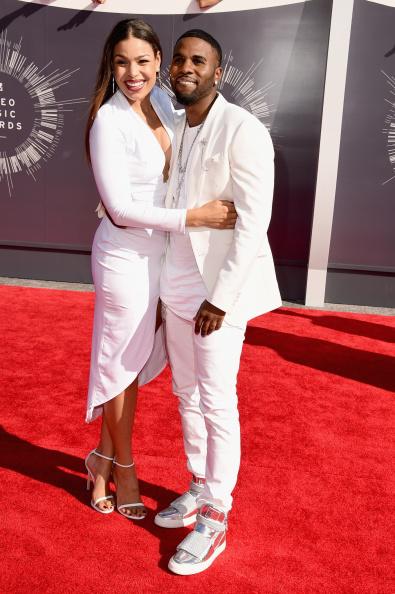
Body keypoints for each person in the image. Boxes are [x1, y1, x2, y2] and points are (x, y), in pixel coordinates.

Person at [84, 19, 236, 521]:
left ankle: (101, 458)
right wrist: (193, 217)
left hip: (164, 258)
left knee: (134, 364)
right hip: (125, 257)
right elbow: (122, 207)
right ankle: (125, 467)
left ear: (159, 64)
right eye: (122, 62)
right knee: (120, 364)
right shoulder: (109, 120)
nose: (133, 73)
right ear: (111, 65)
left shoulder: (170, 107)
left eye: (144, 61)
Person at [155, 30, 282, 573]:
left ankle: (215, 517)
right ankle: (198, 483)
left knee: (217, 403)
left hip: (217, 297)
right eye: (180, 59)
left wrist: (221, 300)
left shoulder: (243, 129)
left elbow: (254, 222)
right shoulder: (181, 124)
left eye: (198, 61)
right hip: (177, 285)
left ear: (218, 72)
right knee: (186, 395)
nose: (186, 67)